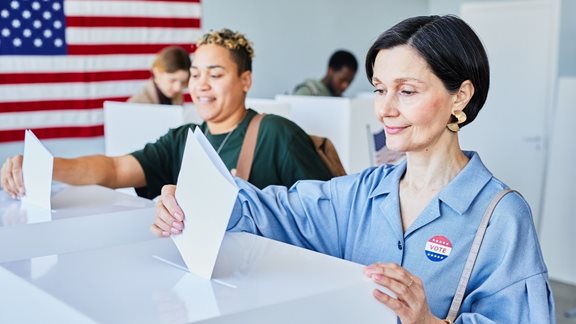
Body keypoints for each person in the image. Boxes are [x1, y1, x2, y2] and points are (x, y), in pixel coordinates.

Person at [152, 15, 555, 323]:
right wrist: (192, 201)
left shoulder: (501, 216)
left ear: (459, 97)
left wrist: (427, 321)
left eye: (407, 91)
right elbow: (276, 209)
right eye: (380, 88)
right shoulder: (363, 192)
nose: (385, 108)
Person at [0, 29, 332, 200]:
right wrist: (43, 164)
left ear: (246, 80)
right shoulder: (182, 139)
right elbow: (114, 168)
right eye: (196, 74)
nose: (201, 85)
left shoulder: (277, 133)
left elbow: (327, 210)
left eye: (215, 75)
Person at [293, 49, 357, 97]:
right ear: (330, 71)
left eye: (350, 82)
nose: (345, 86)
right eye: (342, 80)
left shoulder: (341, 100)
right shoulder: (307, 92)